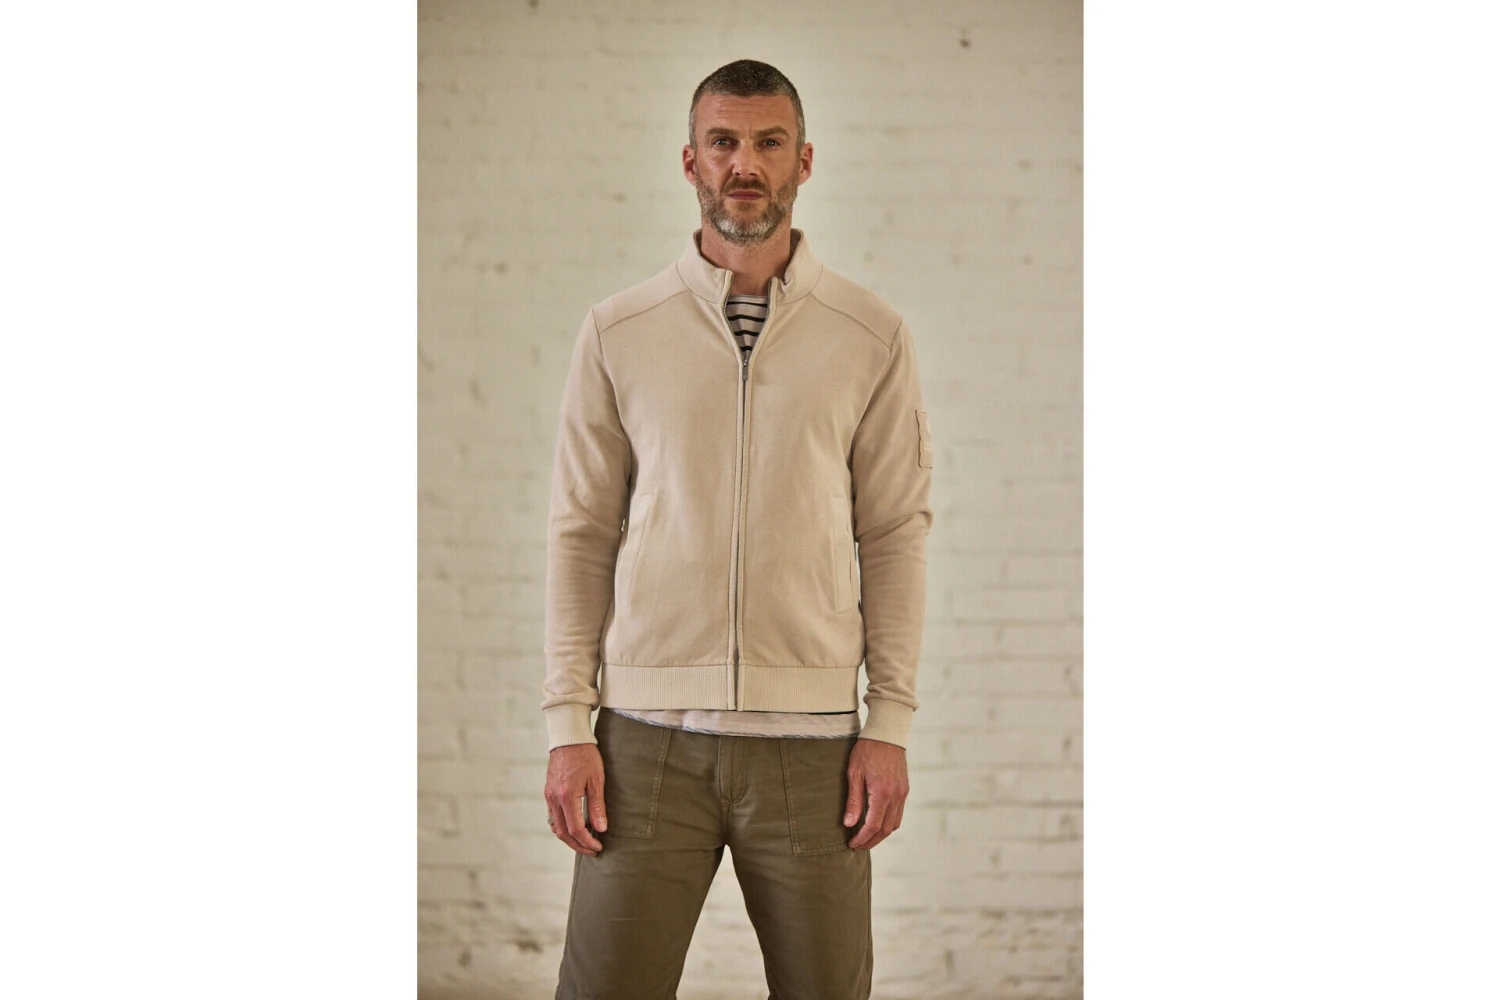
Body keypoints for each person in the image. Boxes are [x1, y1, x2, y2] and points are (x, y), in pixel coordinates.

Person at [540, 58, 935, 1000]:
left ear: (805, 160)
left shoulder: (869, 334)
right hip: (642, 743)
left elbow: (893, 531)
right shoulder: (620, 330)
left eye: (767, 143)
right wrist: (567, 722)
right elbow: (582, 530)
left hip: (814, 748)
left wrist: (889, 724)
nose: (744, 164)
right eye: (723, 142)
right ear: (691, 160)